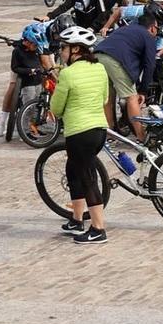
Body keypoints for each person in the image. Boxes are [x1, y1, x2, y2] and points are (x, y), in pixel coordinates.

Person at [50, 26, 111, 243]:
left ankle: (98, 229)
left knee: (87, 178)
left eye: (64, 48)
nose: (61, 52)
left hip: (79, 132)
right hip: (98, 130)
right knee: (73, 170)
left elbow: (56, 108)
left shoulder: (67, 74)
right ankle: (77, 220)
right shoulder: (100, 69)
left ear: (76, 49)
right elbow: (105, 99)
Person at [94, 6, 163, 150]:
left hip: (98, 55)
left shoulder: (126, 30)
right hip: (115, 60)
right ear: (152, 27)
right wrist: (143, 91)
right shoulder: (148, 37)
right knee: (132, 97)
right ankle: (140, 136)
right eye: (157, 29)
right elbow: (149, 66)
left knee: (107, 98)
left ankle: (109, 135)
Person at [0, 19, 53, 138]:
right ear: (27, 42)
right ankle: (24, 130)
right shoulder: (18, 52)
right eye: (34, 45)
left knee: (37, 106)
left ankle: (34, 127)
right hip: (27, 82)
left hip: (38, 81)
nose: (36, 47)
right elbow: (15, 68)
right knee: (28, 106)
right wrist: (30, 71)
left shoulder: (36, 51)